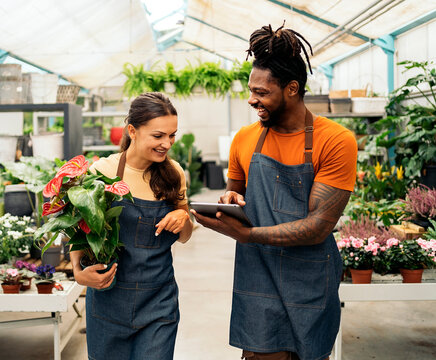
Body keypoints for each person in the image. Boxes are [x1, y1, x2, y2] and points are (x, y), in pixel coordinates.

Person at [192, 24, 357, 360]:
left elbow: (318, 227)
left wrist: (249, 234)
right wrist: (230, 202)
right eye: (251, 90)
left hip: (309, 277)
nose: (252, 100)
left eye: (262, 93)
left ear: (292, 89)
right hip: (258, 276)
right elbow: (234, 195)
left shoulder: (336, 140)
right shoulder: (244, 139)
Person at [70, 92, 193, 360]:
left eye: (172, 135)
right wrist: (78, 273)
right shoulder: (102, 172)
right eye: (158, 136)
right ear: (132, 131)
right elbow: (80, 229)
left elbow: (183, 237)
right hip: (109, 300)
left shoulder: (174, 174)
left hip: (158, 301)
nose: (167, 144)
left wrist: (184, 218)